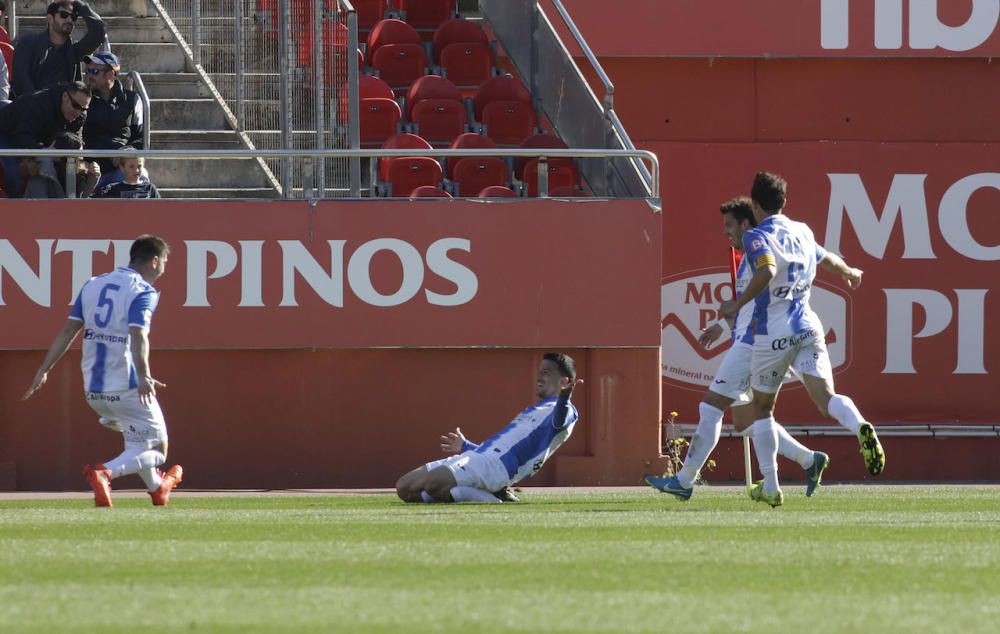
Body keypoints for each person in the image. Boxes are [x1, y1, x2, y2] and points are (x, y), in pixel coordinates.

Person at [646, 196, 874, 503]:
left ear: (747, 223)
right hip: (772, 335)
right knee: (746, 421)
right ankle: (808, 461)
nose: (726, 234)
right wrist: (723, 324)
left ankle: (687, 481)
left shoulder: (759, 252)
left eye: (730, 226)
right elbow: (819, 260)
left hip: (756, 344)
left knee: (715, 407)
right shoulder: (771, 248)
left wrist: (736, 319)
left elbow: (761, 300)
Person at [717, 173, 885, 507]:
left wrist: (736, 304)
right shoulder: (803, 231)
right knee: (826, 399)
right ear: (784, 202)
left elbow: (765, 271)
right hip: (808, 324)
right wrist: (850, 273)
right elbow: (829, 260)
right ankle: (860, 425)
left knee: (762, 409)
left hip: (772, 331)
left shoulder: (756, 236)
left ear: (754, 204)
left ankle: (771, 485)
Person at [22, 235, 183, 508]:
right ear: (155, 261)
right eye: (165, 261)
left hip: (94, 392)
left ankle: (158, 488)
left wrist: (43, 370)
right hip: (127, 387)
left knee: (137, 445)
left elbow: (68, 331)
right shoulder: (142, 291)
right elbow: (138, 335)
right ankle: (105, 472)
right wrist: (144, 374)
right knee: (158, 448)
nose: (165, 267)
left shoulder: (93, 284)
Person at [396, 353, 581, 503]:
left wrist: (565, 398)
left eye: (547, 372)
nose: (539, 376)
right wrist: (466, 446)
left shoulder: (566, 411)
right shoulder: (536, 408)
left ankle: (493, 498)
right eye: (540, 371)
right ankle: (484, 492)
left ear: (564, 382)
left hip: (499, 469)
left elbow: (560, 421)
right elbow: (498, 450)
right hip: (480, 457)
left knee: (434, 483)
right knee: (405, 488)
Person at [0, 81, 90, 196]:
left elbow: (75, 142)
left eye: (84, 109)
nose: (78, 112)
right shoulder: (37, 104)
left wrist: (81, 163)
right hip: (7, 132)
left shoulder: (80, 115)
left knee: (72, 170)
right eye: (76, 106)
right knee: (15, 176)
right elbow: (20, 137)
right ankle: (12, 210)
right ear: (65, 96)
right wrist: (44, 151)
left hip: (35, 137)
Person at [11, 1, 106, 98]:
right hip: (34, 107)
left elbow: (98, 31)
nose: (69, 20)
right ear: (50, 18)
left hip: (66, 109)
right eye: (64, 15)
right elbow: (21, 81)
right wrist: (38, 106)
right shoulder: (28, 43)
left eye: (73, 17)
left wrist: (79, 5)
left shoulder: (74, 50)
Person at [81, 51, 145, 185]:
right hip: (89, 168)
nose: (89, 76)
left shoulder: (132, 100)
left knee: (142, 177)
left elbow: (140, 138)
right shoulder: (81, 98)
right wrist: (84, 163)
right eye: (88, 71)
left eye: (95, 71)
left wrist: (126, 152)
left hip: (120, 169)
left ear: (110, 74)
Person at [92, 153, 160, 198]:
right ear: (122, 168)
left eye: (139, 166)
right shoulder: (112, 189)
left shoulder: (150, 188)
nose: (136, 170)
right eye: (131, 166)